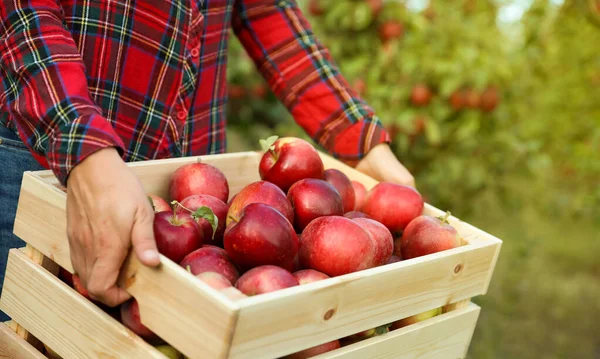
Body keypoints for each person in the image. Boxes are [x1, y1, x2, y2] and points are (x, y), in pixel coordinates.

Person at [0, 0, 415, 316]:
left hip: (195, 193)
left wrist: (358, 137)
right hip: (47, 154)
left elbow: (265, 8)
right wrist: (78, 141)